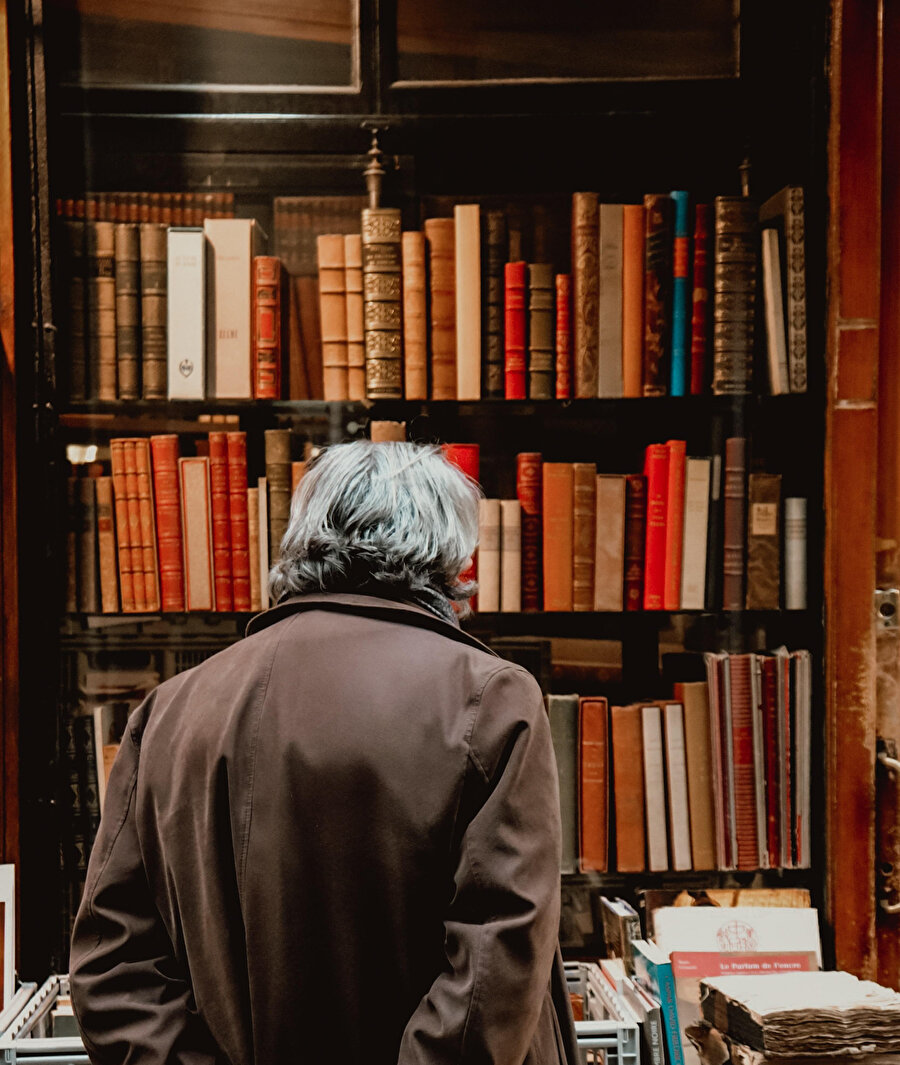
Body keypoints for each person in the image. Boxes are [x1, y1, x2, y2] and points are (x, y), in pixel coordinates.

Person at [69, 439, 578, 1065]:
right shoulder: (492, 699)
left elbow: (112, 969)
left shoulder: (171, 709)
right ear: (454, 554)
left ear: (302, 538)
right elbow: (494, 971)